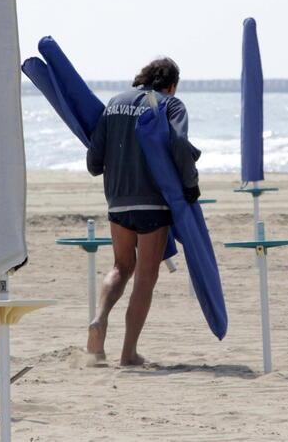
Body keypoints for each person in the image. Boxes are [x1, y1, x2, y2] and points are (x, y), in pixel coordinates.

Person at [85, 57, 200, 366]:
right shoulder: (170, 105)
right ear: (172, 85)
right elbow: (179, 143)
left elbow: (94, 161)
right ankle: (128, 353)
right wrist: (190, 186)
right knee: (145, 278)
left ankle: (99, 317)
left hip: (118, 201)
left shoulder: (114, 103)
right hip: (153, 202)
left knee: (121, 266)